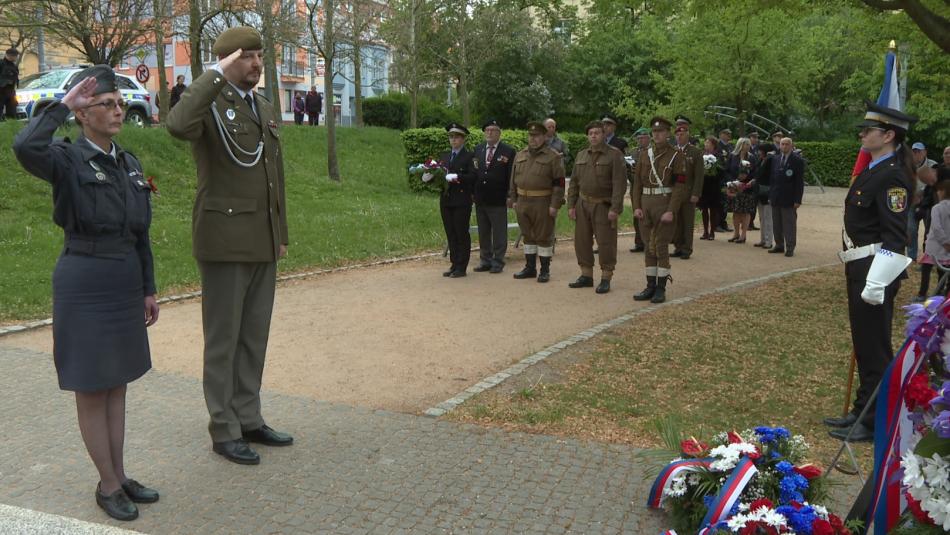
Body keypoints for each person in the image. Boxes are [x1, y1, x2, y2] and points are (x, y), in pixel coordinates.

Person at [12, 65, 160, 521]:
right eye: (107, 104)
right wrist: (62, 105)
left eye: (120, 104)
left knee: (117, 386)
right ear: (84, 114)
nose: (118, 110)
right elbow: (24, 145)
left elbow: (141, 235)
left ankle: (119, 472)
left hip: (123, 280)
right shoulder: (66, 159)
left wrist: (147, 289)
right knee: (93, 390)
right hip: (85, 280)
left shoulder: (129, 163)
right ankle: (108, 484)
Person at [166, 27, 293, 465]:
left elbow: (274, 179)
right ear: (226, 61)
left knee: (253, 337)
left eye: (259, 56)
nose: (257, 64)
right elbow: (177, 125)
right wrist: (214, 74)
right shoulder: (208, 105)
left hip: (261, 240)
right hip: (224, 240)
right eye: (247, 57)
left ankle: (248, 416)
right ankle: (223, 428)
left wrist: (281, 236)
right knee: (223, 339)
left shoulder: (263, 106)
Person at [826, 102, 918, 443]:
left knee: (875, 346)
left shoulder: (893, 174)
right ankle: (862, 410)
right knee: (864, 345)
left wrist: (878, 282)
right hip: (860, 265)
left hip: (875, 269)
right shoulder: (874, 169)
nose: (862, 134)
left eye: (869, 130)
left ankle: (874, 420)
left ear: (889, 135)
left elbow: (896, 236)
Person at [631, 117, 688, 304]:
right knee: (648, 246)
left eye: (661, 132)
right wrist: (637, 206)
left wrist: (672, 210)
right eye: (654, 132)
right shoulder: (644, 155)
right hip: (646, 203)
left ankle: (661, 288)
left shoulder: (676, 155)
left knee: (661, 246)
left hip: (664, 204)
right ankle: (650, 285)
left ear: (668, 133)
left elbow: (680, 186)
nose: (657, 135)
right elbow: (637, 183)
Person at [566, 120, 626, 293]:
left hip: (603, 206)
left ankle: (606, 277)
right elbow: (574, 183)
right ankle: (586, 275)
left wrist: (615, 208)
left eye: (597, 133)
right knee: (582, 241)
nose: (593, 136)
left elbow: (619, 184)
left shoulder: (614, 155)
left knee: (606, 243)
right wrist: (571, 205)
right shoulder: (581, 155)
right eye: (591, 133)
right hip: (583, 204)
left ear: (604, 134)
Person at [509, 121, 565, 283]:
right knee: (528, 236)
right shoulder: (520, 155)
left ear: (544, 137)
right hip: (523, 201)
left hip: (542, 201)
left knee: (543, 236)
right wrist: (513, 200)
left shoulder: (553, 157)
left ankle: (545, 270)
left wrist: (555, 204)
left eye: (537, 136)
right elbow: (513, 180)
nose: (533, 139)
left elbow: (559, 184)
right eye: (531, 136)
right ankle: (530, 267)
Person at [473, 119, 515, 273]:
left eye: (493, 130)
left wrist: (510, 195)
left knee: (499, 232)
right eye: (487, 130)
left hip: (498, 198)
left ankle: (498, 261)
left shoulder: (508, 151)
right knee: (483, 232)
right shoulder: (478, 150)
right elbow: (474, 173)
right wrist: (472, 193)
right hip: (481, 198)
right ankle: (485, 260)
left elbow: (511, 175)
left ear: (499, 133)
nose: (490, 133)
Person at [438, 122, 477, 277]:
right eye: (451, 137)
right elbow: (439, 174)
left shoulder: (469, 156)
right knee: (451, 233)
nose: (453, 140)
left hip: (461, 200)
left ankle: (462, 266)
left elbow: (474, 176)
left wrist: (458, 177)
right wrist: (429, 176)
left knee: (461, 232)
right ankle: (454, 263)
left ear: (463, 139)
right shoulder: (445, 156)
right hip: (446, 199)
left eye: (457, 137)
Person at [670, 115, 704, 260]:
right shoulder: (672, 151)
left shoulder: (695, 152)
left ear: (687, 135)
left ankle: (687, 249)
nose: (679, 137)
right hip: (675, 192)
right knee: (676, 222)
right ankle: (678, 246)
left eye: (682, 134)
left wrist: (696, 193)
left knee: (688, 222)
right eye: (677, 134)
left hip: (689, 192)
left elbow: (699, 175)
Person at [768, 137, 804, 257]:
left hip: (789, 198)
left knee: (789, 224)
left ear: (791, 146)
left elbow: (799, 182)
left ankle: (790, 247)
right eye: (782, 144)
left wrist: (797, 199)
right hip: (776, 196)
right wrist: (770, 195)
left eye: (786, 144)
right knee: (776, 223)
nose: (784, 146)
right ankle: (779, 245)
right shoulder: (775, 159)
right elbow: (772, 179)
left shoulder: (797, 161)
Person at [914, 167, 945, 301]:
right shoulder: (932, 191)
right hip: (938, 242)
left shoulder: (938, 207)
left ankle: (935, 294)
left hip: (939, 243)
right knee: (933, 268)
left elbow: (937, 228)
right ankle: (931, 294)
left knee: (939, 269)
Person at [909, 142, 938, 261]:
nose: (916, 154)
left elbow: (935, 183)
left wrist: (921, 192)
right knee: (910, 229)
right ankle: (911, 257)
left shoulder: (933, 165)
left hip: (927, 204)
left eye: (919, 151)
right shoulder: (907, 165)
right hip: (911, 203)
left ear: (925, 152)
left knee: (929, 231)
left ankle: (928, 258)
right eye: (914, 151)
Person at [726, 137, 757, 244]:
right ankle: (736, 233)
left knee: (745, 211)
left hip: (746, 187)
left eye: (749, 145)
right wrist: (732, 181)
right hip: (734, 186)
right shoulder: (732, 156)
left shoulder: (752, 157)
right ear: (740, 145)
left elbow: (755, 172)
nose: (748, 146)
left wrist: (747, 180)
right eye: (745, 144)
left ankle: (743, 235)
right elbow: (728, 170)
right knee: (736, 211)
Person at [698, 137, 725, 241]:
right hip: (704, 186)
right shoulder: (702, 154)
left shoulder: (718, 155)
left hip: (714, 186)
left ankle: (712, 231)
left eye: (708, 142)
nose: (706, 144)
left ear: (713, 144)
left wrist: (714, 171)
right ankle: (705, 231)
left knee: (713, 210)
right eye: (705, 142)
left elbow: (722, 170)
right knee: (704, 209)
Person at [629, 127, 651, 252]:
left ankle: (648, 241)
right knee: (637, 214)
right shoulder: (633, 152)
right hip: (635, 187)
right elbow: (627, 170)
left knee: (648, 215)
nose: (640, 140)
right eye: (638, 138)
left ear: (648, 138)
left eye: (642, 138)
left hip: (648, 187)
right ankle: (639, 242)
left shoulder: (653, 151)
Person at [752, 143, 776, 249]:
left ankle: (768, 241)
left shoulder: (770, 160)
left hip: (767, 192)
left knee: (768, 218)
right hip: (760, 192)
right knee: (762, 218)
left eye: (760, 151)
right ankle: (763, 239)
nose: (758, 152)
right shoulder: (761, 160)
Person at [0, 47, 19, 120]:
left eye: (16, 56)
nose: (16, 57)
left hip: (11, 92)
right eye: (15, 55)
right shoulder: (1, 63)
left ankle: (11, 126)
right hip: (1, 91)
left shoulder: (14, 66)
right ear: (8, 55)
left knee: (12, 113)